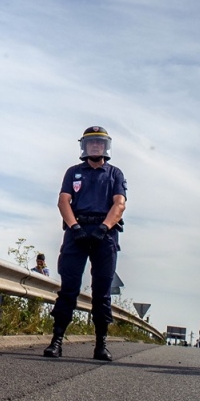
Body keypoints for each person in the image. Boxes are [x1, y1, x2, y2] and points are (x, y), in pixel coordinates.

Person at [43, 126, 127, 362]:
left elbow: (119, 204)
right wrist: (75, 227)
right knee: (69, 287)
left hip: (105, 234)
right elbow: (63, 201)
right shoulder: (73, 172)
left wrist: (104, 227)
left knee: (102, 291)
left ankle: (101, 344)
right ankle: (56, 340)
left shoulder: (115, 174)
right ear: (84, 146)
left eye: (99, 143)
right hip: (77, 231)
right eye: (91, 143)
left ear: (105, 147)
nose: (95, 147)